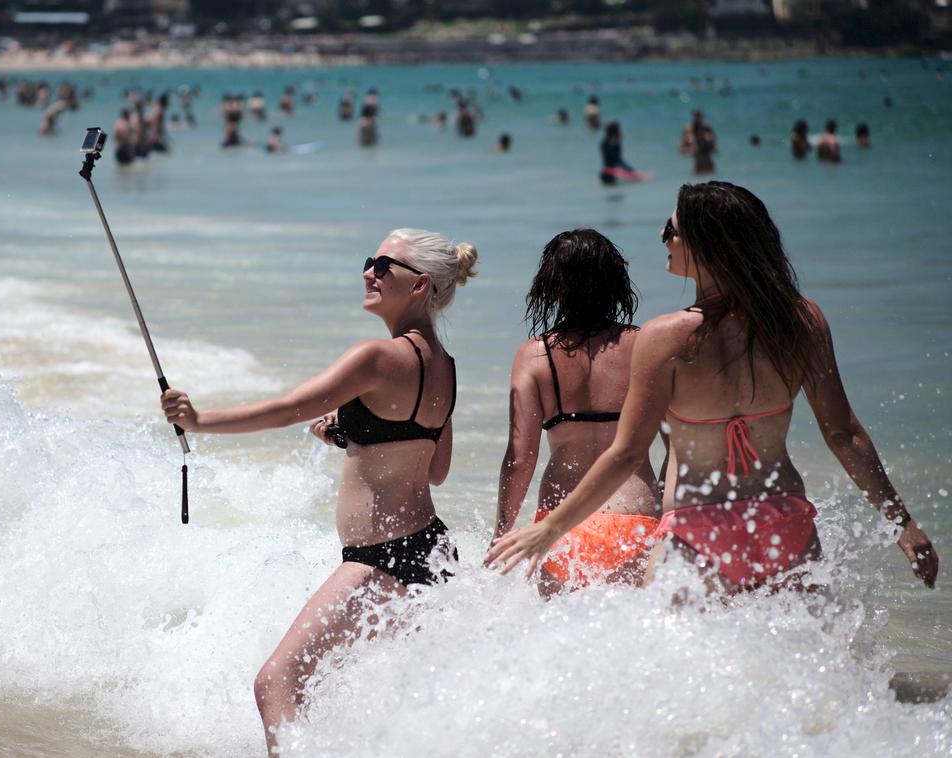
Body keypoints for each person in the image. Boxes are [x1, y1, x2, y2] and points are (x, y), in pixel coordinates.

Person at [487, 181, 938, 596]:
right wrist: (903, 523)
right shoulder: (801, 321)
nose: (662, 236)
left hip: (696, 531)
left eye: (672, 229)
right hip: (783, 519)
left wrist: (550, 529)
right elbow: (843, 433)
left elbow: (625, 454)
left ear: (705, 245)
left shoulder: (666, 337)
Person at [161, 229, 478, 754]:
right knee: (361, 704)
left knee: (276, 685)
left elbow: (289, 408)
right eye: (368, 261)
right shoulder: (445, 367)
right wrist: (352, 434)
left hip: (383, 559)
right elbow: (434, 468)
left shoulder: (377, 357)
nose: (369, 272)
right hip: (431, 550)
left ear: (420, 285)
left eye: (383, 264)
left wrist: (199, 421)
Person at [493, 230, 659, 596]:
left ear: (551, 287)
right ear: (616, 282)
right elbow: (679, 438)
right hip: (637, 517)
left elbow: (521, 459)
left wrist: (501, 533)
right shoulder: (646, 344)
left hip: (560, 523)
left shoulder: (534, 356)